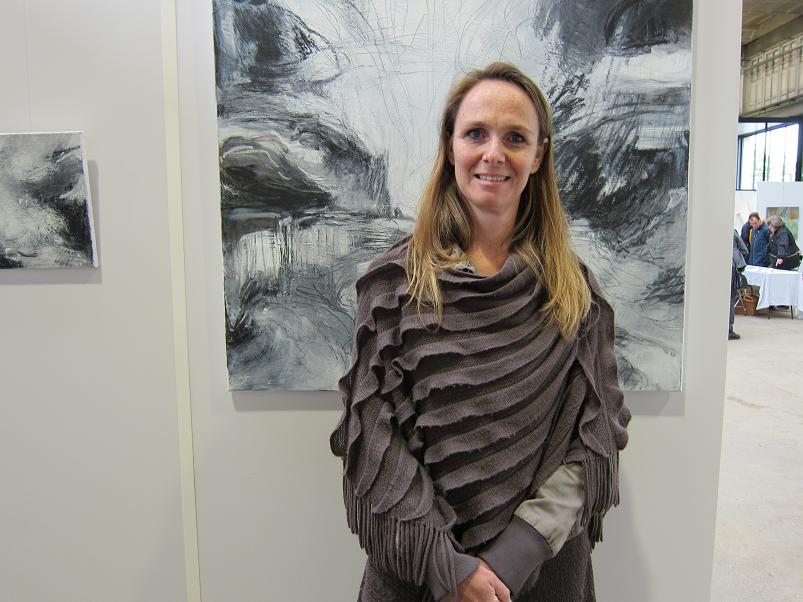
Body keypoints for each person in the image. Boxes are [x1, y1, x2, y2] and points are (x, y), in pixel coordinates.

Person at [331, 62, 631, 602]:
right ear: (450, 146)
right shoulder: (393, 288)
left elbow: (595, 437)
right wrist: (447, 568)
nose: (494, 153)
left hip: (542, 576)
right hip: (417, 575)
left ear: (538, 155)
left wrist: (512, 559)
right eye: (475, 134)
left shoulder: (574, 292)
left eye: (515, 138)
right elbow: (372, 438)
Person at [730, 230, 748, 340]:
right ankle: (728, 329)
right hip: (732, 266)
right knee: (730, 299)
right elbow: (744, 250)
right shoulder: (733, 232)